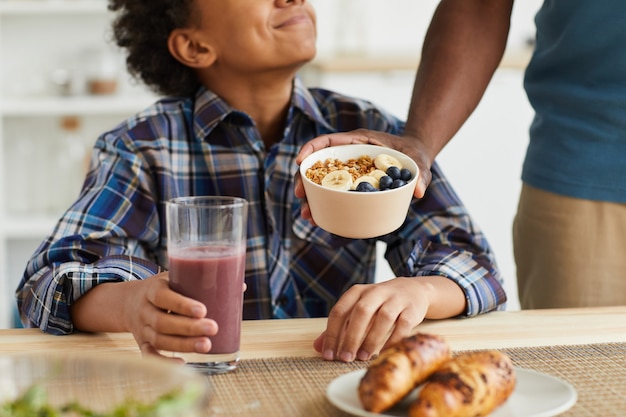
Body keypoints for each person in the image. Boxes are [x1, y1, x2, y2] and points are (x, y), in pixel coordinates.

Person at [16, 0, 506, 364]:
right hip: (199, 384)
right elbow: (45, 282)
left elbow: (474, 264)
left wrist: (419, 292)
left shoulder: (367, 136)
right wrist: (131, 305)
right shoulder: (142, 148)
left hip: (330, 376)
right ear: (194, 44)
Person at [297, 0, 626, 310]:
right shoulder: (361, 145)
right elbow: (478, 6)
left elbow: (478, 274)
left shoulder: (356, 124)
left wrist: (425, 291)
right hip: (589, 165)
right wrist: (419, 143)